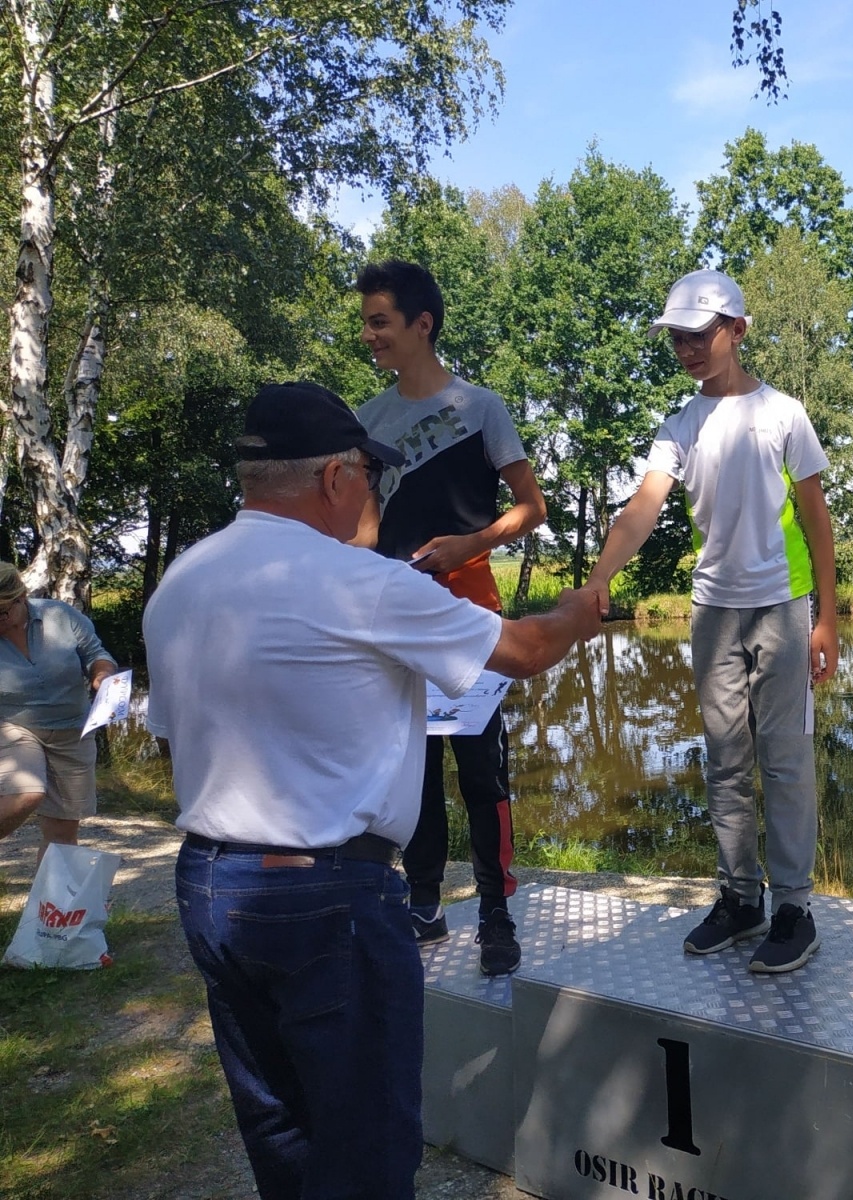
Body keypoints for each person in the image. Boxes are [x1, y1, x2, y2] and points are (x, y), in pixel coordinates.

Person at [144, 381, 600, 1200]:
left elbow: (177, 735)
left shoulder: (182, 580)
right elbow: (526, 651)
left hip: (210, 886)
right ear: (333, 477)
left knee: (282, 1129)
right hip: (327, 897)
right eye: (370, 473)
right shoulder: (362, 583)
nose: (376, 493)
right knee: (367, 1149)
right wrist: (576, 610)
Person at [581, 268, 839, 975]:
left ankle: (794, 909)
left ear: (738, 330)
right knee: (726, 761)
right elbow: (643, 506)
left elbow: (817, 519)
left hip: (783, 605)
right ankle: (739, 898)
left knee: (784, 761)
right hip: (712, 613)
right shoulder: (680, 426)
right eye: (677, 339)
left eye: (699, 335)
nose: (687, 350)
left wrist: (827, 618)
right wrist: (602, 576)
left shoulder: (783, 413)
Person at [353, 258, 548, 976]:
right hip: (396, 620)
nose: (369, 335)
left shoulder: (481, 408)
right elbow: (362, 529)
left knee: (483, 776)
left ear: (422, 323)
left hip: (472, 615)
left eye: (379, 321)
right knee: (415, 774)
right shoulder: (366, 421)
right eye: (366, 323)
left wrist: (474, 543)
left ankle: (496, 914)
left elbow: (532, 508)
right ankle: (425, 904)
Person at [0, 562, 118, 856]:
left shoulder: (60, 615)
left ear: (21, 597)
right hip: (13, 725)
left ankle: (50, 890)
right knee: (25, 793)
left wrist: (102, 676)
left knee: (61, 838)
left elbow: (97, 655)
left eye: (2, 612)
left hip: (73, 732)